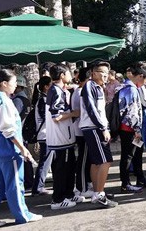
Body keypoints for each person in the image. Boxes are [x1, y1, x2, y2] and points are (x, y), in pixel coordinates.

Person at [0, 69, 42, 228]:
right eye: (14, 83)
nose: (16, 86)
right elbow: (7, 129)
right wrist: (22, 148)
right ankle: (23, 215)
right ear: (4, 83)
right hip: (8, 150)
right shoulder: (3, 101)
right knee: (15, 184)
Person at [80, 61, 117, 208]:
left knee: (96, 162)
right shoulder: (90, 86)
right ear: (93, 73)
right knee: (105, 161)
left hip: (95, 127)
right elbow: (91, 108)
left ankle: (97, 192)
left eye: (107, 73)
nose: (105, 76)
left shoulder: (98, 87)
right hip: (94, 128)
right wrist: (103, 128)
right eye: (102, 72)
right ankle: (99, 194)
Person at [46, 64, 81, 209]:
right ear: (61, 75)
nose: (71, 75)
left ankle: (68, 193)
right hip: (61, 138)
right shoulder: (56, 91)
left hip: (64, 137)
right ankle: (58, 199)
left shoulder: (58, 90)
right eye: (68, 73)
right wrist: (74, 113)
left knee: (68, 167)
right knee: (62, 169)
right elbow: (57, 116)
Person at [118, 61, 146, 193]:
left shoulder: (128, 87)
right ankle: (125, 183)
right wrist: (137, 130)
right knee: (128, 156)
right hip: (130, 130)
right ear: (140, 76)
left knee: (137, 153)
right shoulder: (131, 89)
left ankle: (140, 178)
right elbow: (132, 113)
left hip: (131, 129)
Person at [71, 68, 94, 198]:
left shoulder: (79, 91)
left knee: (85, 159)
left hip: (81, 129)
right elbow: (79, 111)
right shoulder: (80, 91)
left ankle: (85, 183)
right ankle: (82, 187)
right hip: (81, 130)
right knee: (83, 159)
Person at [31, 76, 54, 196]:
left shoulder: (43, 100)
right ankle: (38, 187)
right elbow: (47, 117)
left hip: (46, 134)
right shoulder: (44, 100)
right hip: (45, 135)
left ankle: (39, 186)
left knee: (46, 161)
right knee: (45, 162)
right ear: (46, 87)